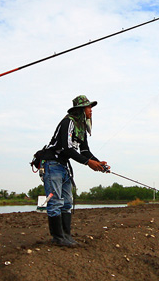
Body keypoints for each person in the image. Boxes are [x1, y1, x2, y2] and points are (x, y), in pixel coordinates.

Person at [37, 95, 109, 246]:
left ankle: (66, 236)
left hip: (63, 166)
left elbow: (85, 151)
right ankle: (58, 237)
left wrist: (98, 163)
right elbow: (67, 148)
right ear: (81, 110)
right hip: (52, 164)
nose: (91, 111)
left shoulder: (81, 128)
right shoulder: (68, 122)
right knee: (55, 201)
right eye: (89, 107)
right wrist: (88, 163)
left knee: (67, 202)